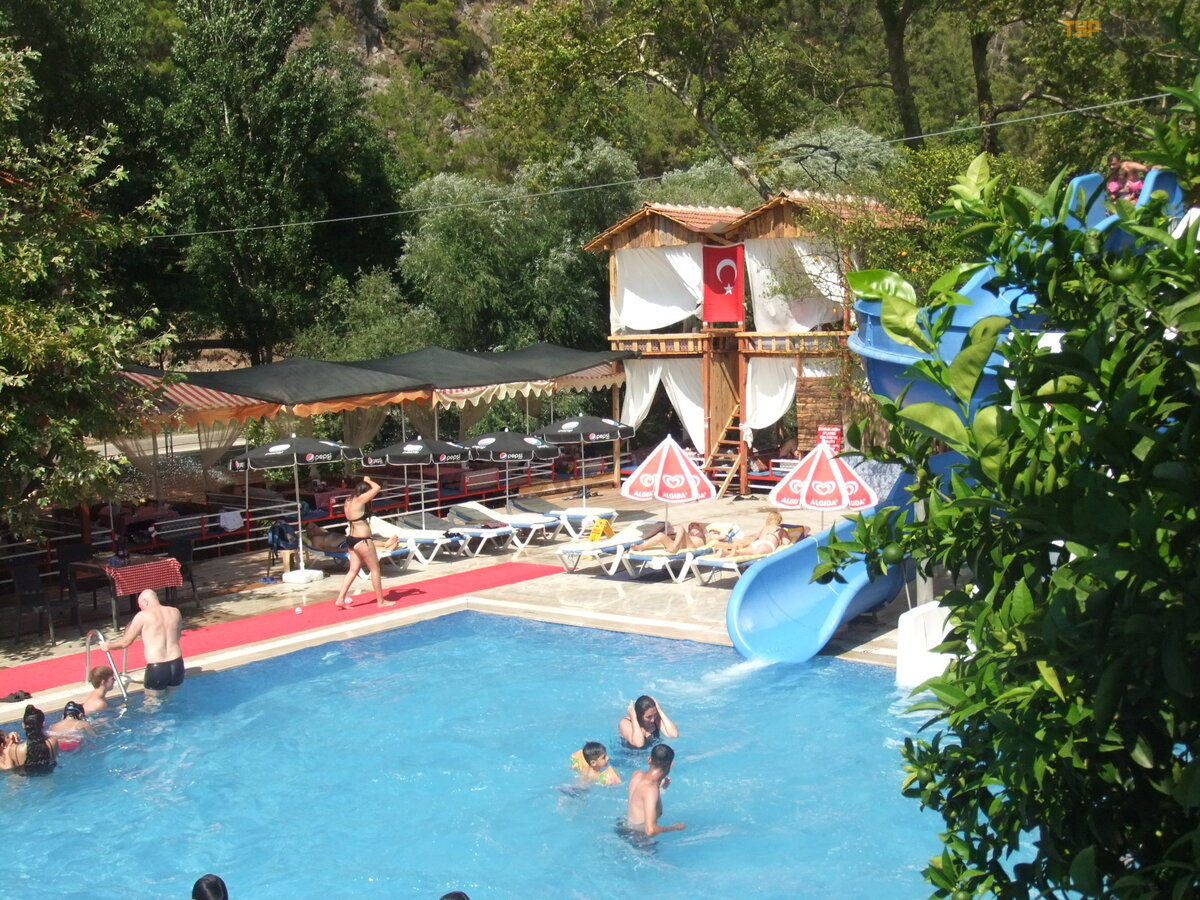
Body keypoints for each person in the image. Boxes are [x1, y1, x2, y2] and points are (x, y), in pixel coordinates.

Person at [100, 589, 185, 691]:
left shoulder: (143, 616)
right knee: (173, 698)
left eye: (140, 606)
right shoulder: (175, 612)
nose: (141, 609)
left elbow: (125, 642)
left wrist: (108, 646)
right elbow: (177, 636)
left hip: (157, 667)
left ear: (145, 601)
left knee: (153, 700)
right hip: (177, 664)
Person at [333, 476, 396, 610]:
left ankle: (340, 599)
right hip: (362, 541)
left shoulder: (348, 500)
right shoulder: (360, 499)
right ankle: (380, 601)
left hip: (351, 539)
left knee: (353, 570)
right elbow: (377, 488)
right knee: (375, 569)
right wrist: (368, 480)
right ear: (364, 492)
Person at [625, 744, 684, 837]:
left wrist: (661, 788)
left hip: (624, 828)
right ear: (671, 765)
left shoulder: (636, 775)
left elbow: (641, 799)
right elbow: (650, 830)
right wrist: (674, 827)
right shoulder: (651, 791)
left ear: (649, 759)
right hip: (639, 839)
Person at [0, 706, 58, 775]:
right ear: (43, 724)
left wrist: (10, 743)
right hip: (50, 779)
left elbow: (9, 768)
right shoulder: (53, 742)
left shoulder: (15, 750)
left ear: (23, 725)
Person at [710, 511, 792, 558]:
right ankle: (730, 553)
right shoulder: (780, 529)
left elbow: (756, 538)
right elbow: (786, 542)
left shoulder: (764, 528)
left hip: (757, 543)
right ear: (779, 521)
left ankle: (725, 552)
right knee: (754, 554)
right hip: (767, 544)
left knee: (745, 552)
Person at [305, 521, 399, 555]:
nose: (314, 530)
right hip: (343, 546)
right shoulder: (316, 539)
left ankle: (384, 544)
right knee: (363, 545)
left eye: (314, 526)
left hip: (348, 540)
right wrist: (341, 551)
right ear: (308, 533)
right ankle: (385, 549)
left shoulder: (324, 532)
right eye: (310, 529)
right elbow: (324, 549)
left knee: (365, 540)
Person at [629, 521, 708, 554]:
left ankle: (674, 548)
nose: (691, 527)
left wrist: (699, 526)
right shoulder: (687, 534)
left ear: (699, 527)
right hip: (679, 545)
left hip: (691, 546)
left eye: (693, 526)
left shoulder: (704, 534)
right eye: (690, 527)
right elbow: (677, 536)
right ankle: (641, 547)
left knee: (681, 527)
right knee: (660, 535)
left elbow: (707, 526)